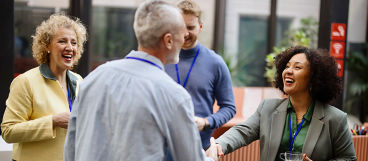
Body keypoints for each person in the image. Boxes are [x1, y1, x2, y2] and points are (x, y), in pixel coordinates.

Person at [64, 1, 219, 161]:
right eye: (182, 33)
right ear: (168, 40)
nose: (185, 37)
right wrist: (211, 158)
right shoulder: (174, 95)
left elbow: (70, 150)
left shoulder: (93, 79)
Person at [215, 46, 357, 161]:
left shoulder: (336, 119)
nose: (288, 71)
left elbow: (348, 158)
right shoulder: (267, 108)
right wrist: (217, 145)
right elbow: (241, 132)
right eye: (287, 66)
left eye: (297, 67)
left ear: (314, 77)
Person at [1, 14, 87, 161]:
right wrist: (53, 121)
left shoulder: (79, 81)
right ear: (47, 46)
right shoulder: (25, 81)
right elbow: (8, 131)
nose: (70, 47)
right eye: (62, 41)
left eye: (74, 43)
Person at [165, 0, 236, 150]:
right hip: (162, 147)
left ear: (200, 27)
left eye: (190, 27)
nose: (185, 33)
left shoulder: (215, 62)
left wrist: (206, 122)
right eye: (181, 27)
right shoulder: (161, 58)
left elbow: (229, 107)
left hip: (199, 148)